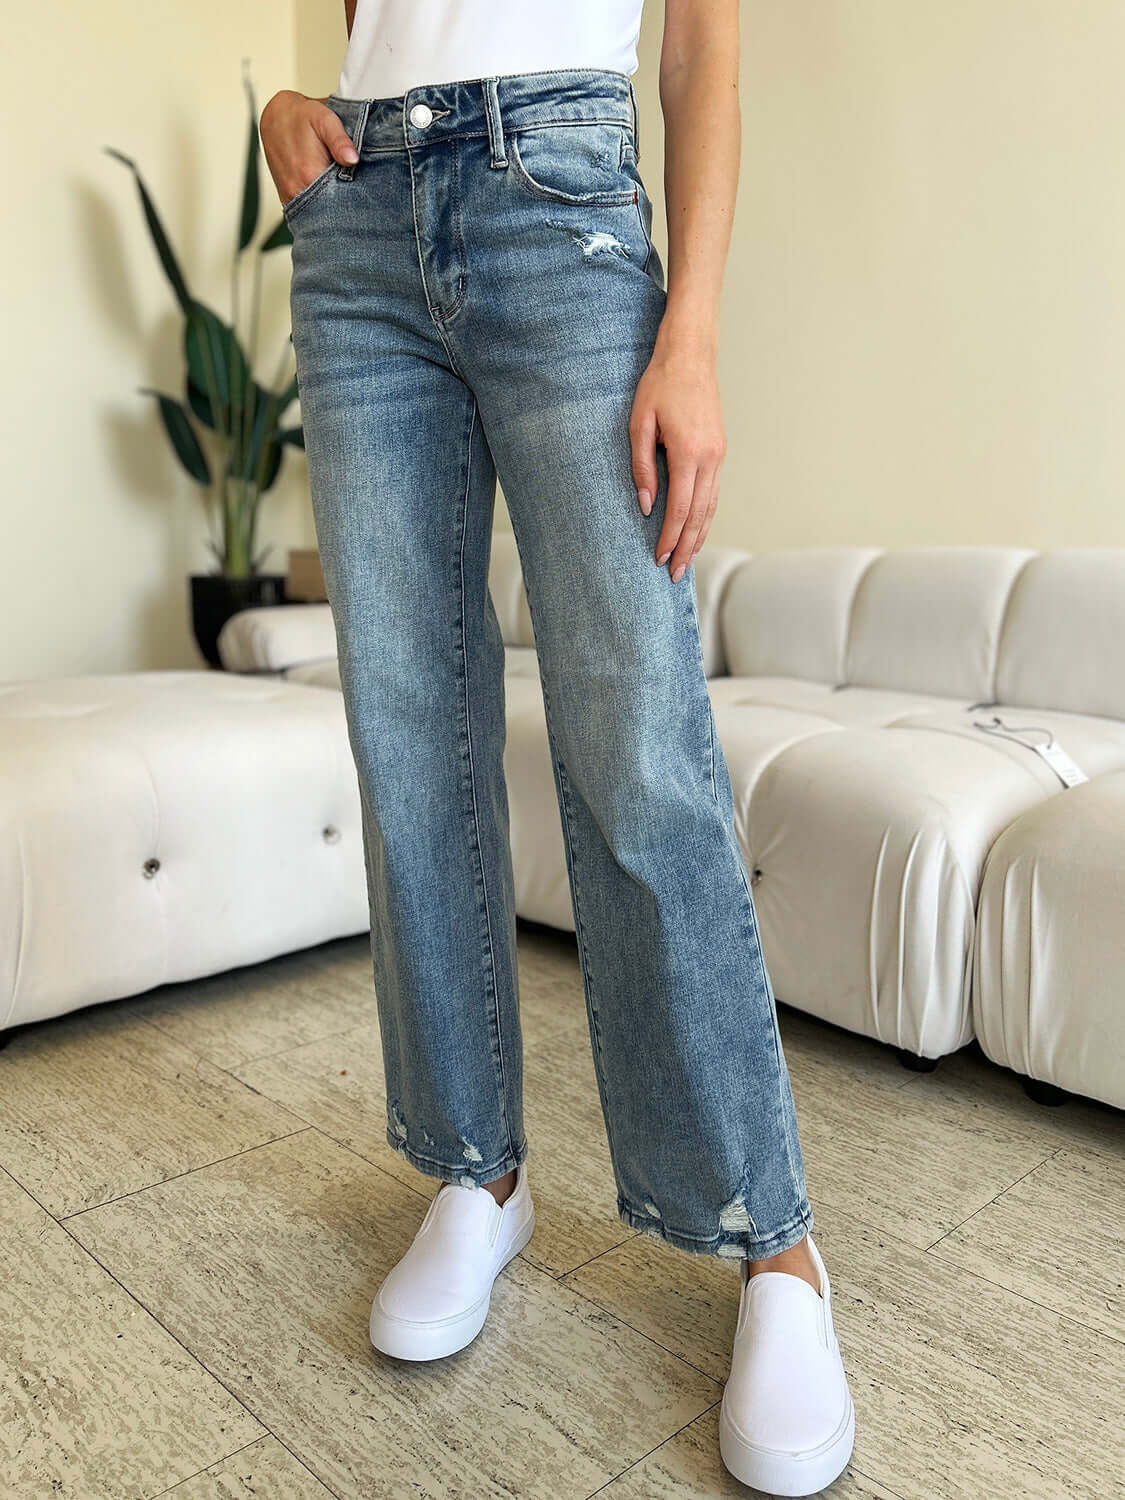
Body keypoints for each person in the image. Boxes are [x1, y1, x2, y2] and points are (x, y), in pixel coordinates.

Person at [261, 1, 854, 1491]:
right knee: (404, 732)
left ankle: (770, 1247)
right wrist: (291, 105)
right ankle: (478, 1168)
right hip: (353, 228)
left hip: (561, 195)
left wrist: (693, 334)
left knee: (641, 750)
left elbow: (701, 45)